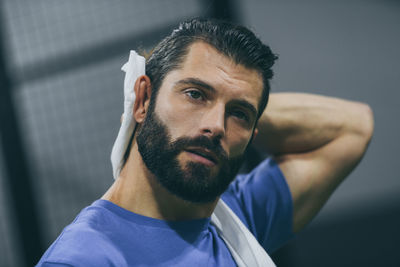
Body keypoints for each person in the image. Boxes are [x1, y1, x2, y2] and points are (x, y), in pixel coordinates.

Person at [36, 18, 374, 266]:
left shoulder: (237, 221)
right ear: (141, 100)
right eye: (195, 94)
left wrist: (241, 107)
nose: (216, 127)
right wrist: (236, 106)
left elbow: (354, 127)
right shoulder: (83, 258)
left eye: (239, 114)